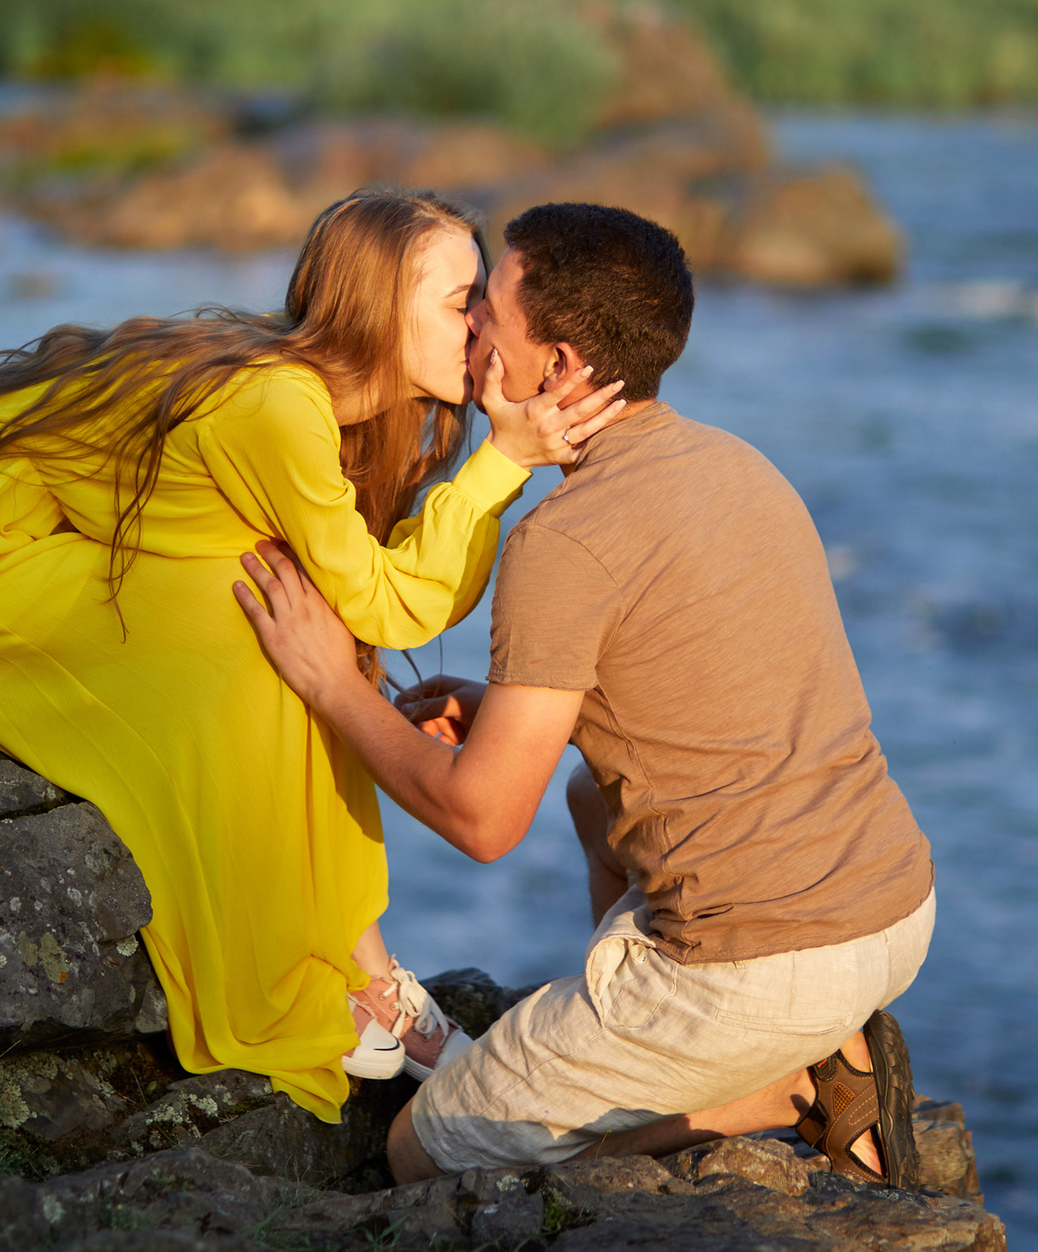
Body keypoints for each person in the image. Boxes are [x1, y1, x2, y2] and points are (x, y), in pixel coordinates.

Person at [0, 189, 625, 1122]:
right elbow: (389, 601)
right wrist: (503, 462)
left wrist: (492, 470)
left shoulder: (337, 404)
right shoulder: (278, 403)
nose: (483, 324)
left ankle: (364, 967)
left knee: (298, 631)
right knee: (260, 635)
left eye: (482, 300)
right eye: (462, 300)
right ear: (377, 302)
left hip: (39, 529)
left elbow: (394, 599)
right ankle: (288, 989)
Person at [231, 201, 936, 1182]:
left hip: (757, 972)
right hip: (894, 912)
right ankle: (682, 1045)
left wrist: (324, 683)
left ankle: (772, 1092)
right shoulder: (734, 464)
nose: (471, 320)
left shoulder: (565, 539)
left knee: (421, 1153)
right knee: (582, 793)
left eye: (489, 308)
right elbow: (711, 687)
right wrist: (515, 706)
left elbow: (482, 823)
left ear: (555, 368)